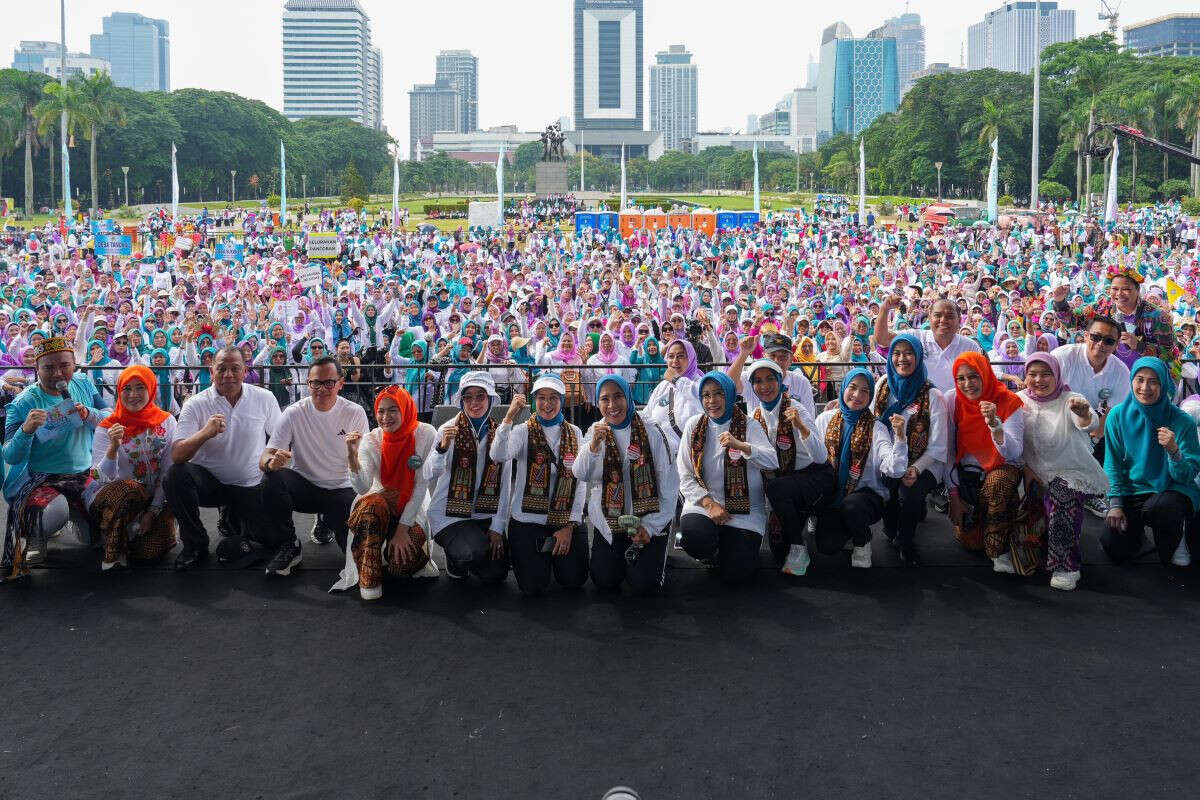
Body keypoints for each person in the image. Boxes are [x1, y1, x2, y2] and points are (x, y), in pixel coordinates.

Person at [164, 346, 283, 573]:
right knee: (175, 475)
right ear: (211, 371)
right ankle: (195, 545)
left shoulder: (264, 398)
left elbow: (279, 439)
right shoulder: (196, 403)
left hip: (250, 485)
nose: (228, 374)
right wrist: (205, 433)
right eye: (222, 369)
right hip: (210, 484)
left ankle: (232, 516)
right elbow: (177, 454)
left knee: (272, 540)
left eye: (235, 369)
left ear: (245, 371)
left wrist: (273, 460)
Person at [2, 337, 107, 582]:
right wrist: (25, 431)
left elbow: (110, 416)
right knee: (50, 514)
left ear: (74, 364)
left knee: (103, 531)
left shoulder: (83, 384)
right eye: (48, 367)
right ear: (36, 369)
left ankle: (77, 517)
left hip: (84, 473)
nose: (58, 372)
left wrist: (89, 414)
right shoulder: (23, 402)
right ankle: (39, 532)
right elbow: (10, 454)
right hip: (43, 479)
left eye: (64, 365)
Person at [572, 375, 678, 594]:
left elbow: (669, 486)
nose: (612, 405)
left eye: (618, 396)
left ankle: (656, 549)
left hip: (648, 518)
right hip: (610, 521)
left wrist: (649, 526)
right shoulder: (595, 431)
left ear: (628, 397)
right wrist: (593, 447)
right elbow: (580, 473)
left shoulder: (652, 430)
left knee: (643, 584)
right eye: (605, 399)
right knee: (605, 580)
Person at [333, 386, 439, 601]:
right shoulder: (372, 439)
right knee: (373, 503)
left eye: (393, 410)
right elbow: (362, 487)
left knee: (401, 567)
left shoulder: (426, 433)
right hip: (378, 504)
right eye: (381, 411)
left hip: (413, 508)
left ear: (405, 409)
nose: (385, 417)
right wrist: (352, 456)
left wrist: (401, 530)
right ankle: (369, 574)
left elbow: (420, 486)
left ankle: (391, 550)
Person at [260, 356, 368, 563]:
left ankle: (328, 519)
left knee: (355, 558)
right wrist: (271, 463)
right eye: (315, 382)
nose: (321, 388)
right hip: (306, 487)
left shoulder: (355, 413)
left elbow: (363, 465)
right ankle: (289, 544)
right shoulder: (293, 413)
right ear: (308, 383)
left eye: (329, 382)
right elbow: (265, 456)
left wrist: (353, 454)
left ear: (341, 384)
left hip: (342, 488)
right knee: (271, 479)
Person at [489, 374, 588, 596]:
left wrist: (569, 524)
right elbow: (498, 454)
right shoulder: (522, 430)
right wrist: (508, 418)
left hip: (563, 518)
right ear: (534, 400)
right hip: (528, 518)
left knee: (574, 580)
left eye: (554, 397)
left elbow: (580, 482)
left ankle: (554, 555)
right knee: (532, 586)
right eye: (541, 397)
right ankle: (541, 559)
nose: (547, 404)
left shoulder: (575, 432)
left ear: (562, 400)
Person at [1018, 352, 1109, 590]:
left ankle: (1066, 565)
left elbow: (1089, 423)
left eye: (1046, 374)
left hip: (1069, 470)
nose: (1039, 380)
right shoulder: (1018, 400)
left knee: (1061, 495)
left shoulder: (1070, 398)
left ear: (1056, 375)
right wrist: (1025, 469)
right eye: (1033, 374)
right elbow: (1010, 439)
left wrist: (1083, 414)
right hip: (1030, 471)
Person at [676, 371, 778, 583]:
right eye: (706, 395)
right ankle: (712, 548)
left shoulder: (749, 425)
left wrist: (741, 446)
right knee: (696, 540)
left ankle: (731, 547)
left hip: (745, 510)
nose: (712, 401)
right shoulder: (694, 425)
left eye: (718, 393)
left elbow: (772, 461)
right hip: (705, 503)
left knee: (737, 574)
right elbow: (684, 474)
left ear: (730, 395)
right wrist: (708, 503)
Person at [1101, 357, 1200, 571]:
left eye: (1154, 381)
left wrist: (1174, 452)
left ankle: (1177, 534)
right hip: (1133, 489)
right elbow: (1113, 463)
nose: (1145, 387)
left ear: (1164, 384)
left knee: (1162, 510)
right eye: (1140, 379)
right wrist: (1116, 504)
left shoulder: (1183, 421)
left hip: (1172, 487)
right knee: (1114, 548)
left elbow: (1187, 474)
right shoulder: (1117, 416)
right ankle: (1138, 535)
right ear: (1132, 380)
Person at [811, 368, 908, 568]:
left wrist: (900, 438)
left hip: (866, 497)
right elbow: (812, 459)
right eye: (852, 388)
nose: (857, 395)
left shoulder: (876, 427)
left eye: (865, 391)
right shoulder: (825, 419)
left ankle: (862, 541)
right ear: (844, 388)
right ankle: (847, 528)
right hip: (832, 496)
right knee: (826, 546)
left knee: (852, 506)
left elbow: (895, 469)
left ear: (871, 395)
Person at [423, 371, 511, 584]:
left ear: (490, 400)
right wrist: (441, 449)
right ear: (461, 401)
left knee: (496, 573)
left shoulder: (499, 435)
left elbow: (505, 484)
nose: (474, 403)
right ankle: (455, 558)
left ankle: (470, 550)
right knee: (472, 552)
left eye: (480, 396)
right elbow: (427, 473)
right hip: (449, 514)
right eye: (468, 397)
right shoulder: (447, 429)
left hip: (484, 514)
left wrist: (497, 527)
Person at [747, 359, 832, 577]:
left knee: (775, 488)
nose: (764, 386)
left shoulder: (796, 409)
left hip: (814, 476)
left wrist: (802, 428)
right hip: (785, 483)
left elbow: (822, 457)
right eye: (757, 381)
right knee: (777, 552)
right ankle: (793, 520)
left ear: (780, 381)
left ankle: (799, 546)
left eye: (769, 379)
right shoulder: (756, 415)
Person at [87, 365, 177, 571]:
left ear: (151, 389)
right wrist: (113, 448)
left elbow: (167, 469)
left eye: (140, 388)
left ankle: (151, 530)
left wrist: (153, 511)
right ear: (119, 391)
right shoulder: (107, 427)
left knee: (147, 553)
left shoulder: (167, 422)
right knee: (129, 488)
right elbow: (99, 477)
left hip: (152, 502)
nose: (133, 395)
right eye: (126, 389)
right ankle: (113, 543)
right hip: (114, 500)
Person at [944, 351, 1026, 573]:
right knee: (971, 542)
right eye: (961, 378)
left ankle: (999, 549)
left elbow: (1013, 451)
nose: (967, 384)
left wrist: (995, 425)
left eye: (974, 376)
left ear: (986, 374)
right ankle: (988, 527)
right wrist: (954, 496)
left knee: (997, 482)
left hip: (1001, 471)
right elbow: (949, 450)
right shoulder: (953, 399)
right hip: (968, 478)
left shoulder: (1009, 401)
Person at [872, 333, 948, 567]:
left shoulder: (932, 395)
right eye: (896, 353)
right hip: (891, 457)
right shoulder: (884, 384)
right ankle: (900, 523)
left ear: (918, 357)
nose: (902, 358)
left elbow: (939, 445)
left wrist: (915, 468)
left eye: (908, 353)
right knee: (889, 525)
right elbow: (873, 423)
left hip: (923, 461)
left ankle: (907, 542)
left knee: (911, 494)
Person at [1050, 314, 1130, 516]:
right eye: (1095, 337)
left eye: (1109, 340)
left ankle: (1093, 492)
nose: (1101, 344)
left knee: (1112, 435)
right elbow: (1044, 393)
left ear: (1116, 345)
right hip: (1057, 418)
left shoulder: (1120, 371)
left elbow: (1111, 414)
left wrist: (1091, 443)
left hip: (1093, 424)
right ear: (1085, 336)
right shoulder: (1062, 356)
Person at [876, 295, 981, 393]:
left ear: (959, 320)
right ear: (929, 318)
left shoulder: (970, 346)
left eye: (950, 316)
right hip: (921, 407)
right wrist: (885, 309)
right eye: (937, 315)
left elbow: (978, 381)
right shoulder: (915, 337)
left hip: (956, 406)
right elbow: (882, 338)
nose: (943, 320)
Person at [726, 333, 817, 418]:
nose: (777, 361)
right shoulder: (752, 377)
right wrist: (743, 354)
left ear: (791, 360)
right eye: (772, 356)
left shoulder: (801, 383)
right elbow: (729, 385)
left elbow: (809, 418)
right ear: (764, 356)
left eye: (783, 357)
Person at [643, 338, 704, 456]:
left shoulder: (700, 384)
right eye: (670, 356)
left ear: (690, 358)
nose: (674, 361)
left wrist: (677, 380)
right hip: (662, 457)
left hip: (689, 457)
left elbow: (702, 400)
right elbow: (647, 415)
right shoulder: (663, 386)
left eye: (680, 356)